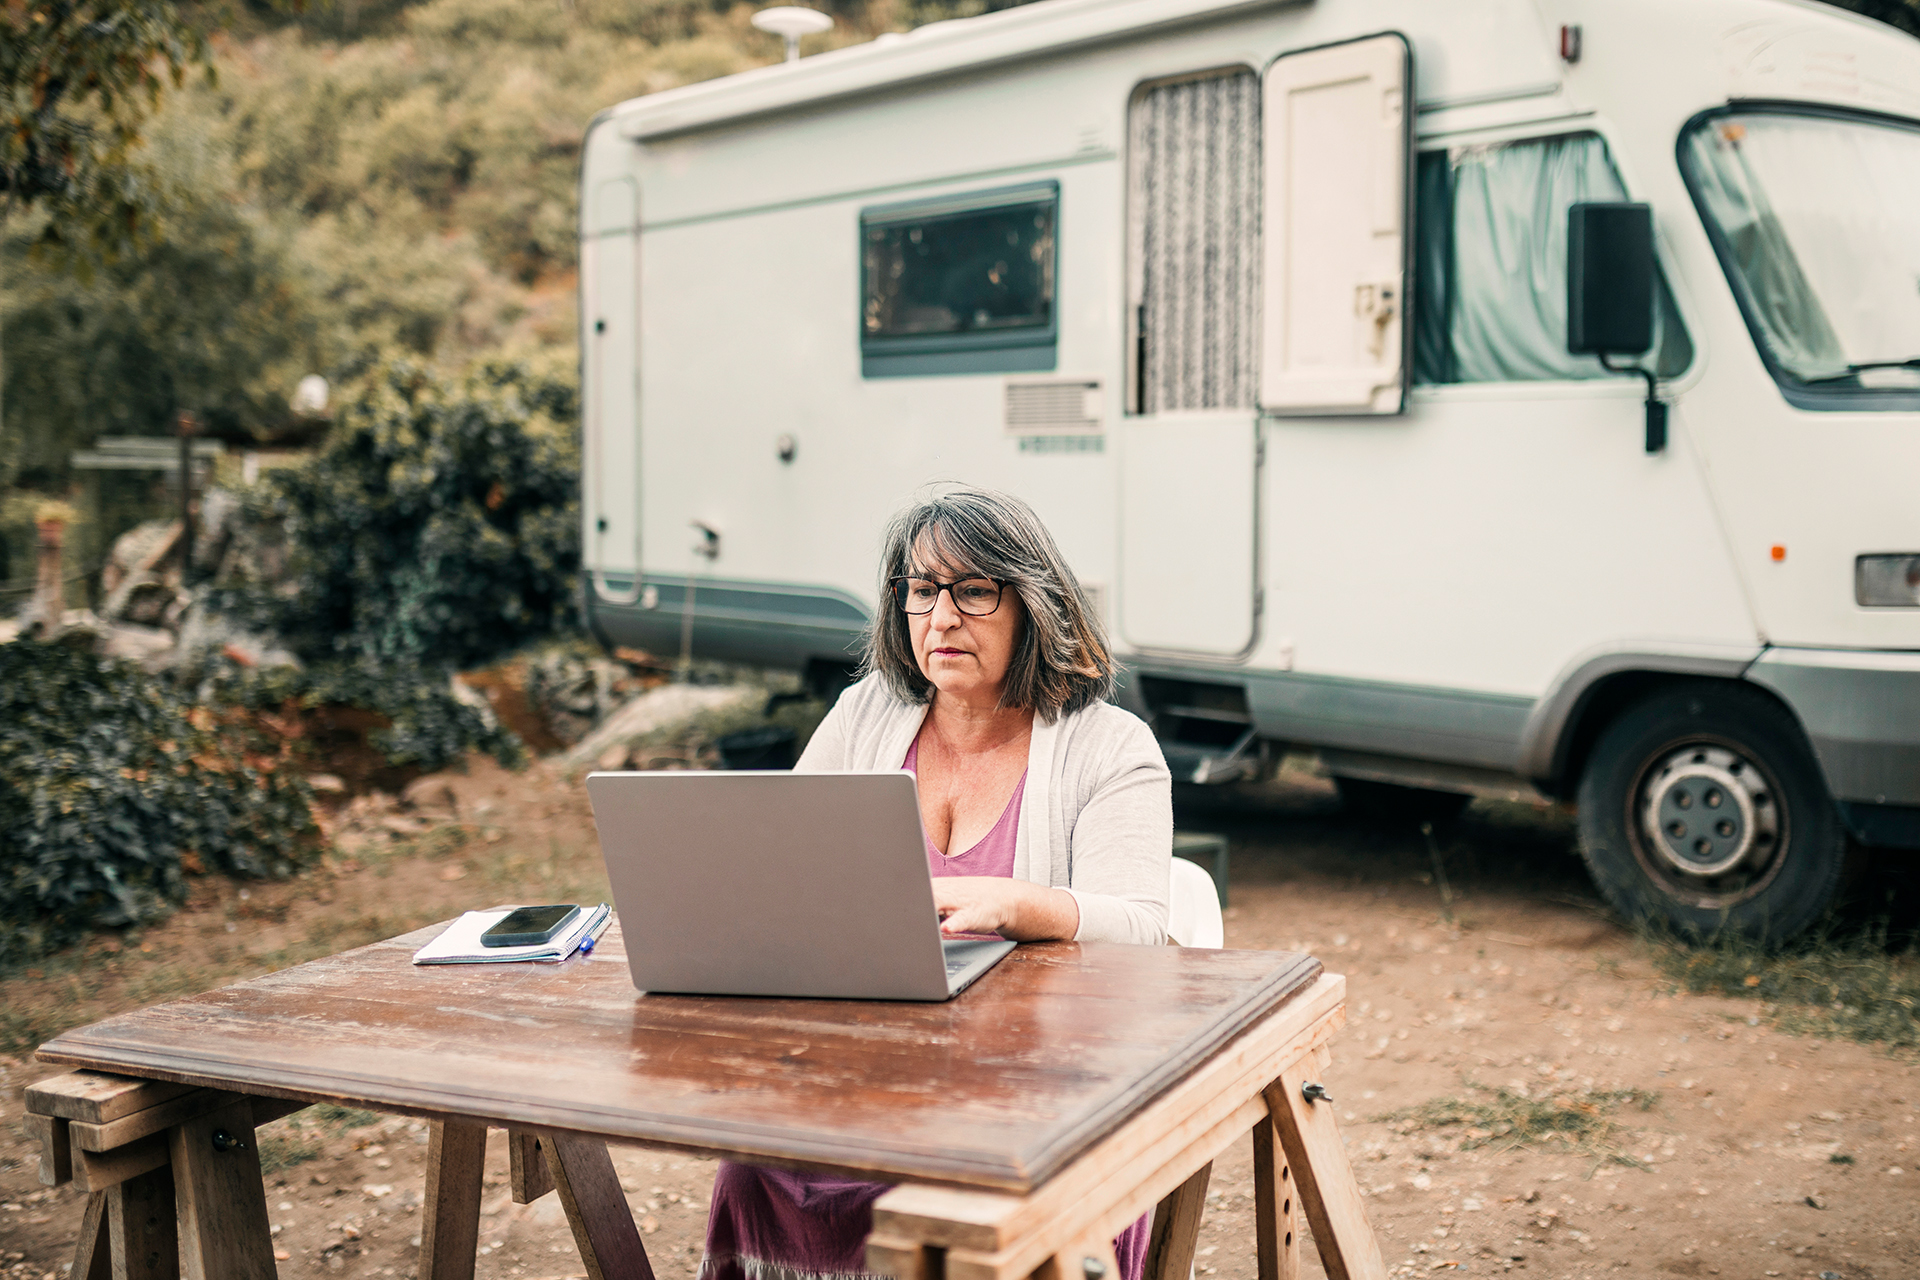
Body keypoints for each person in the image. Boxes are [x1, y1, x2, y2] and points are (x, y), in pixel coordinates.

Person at [699, 486, 1173, 1280]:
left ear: (1034, 604)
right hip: (876, 1071)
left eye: (974, 590)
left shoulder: (1110, 746)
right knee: (757, 1163)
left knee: (979, 1196)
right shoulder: (866, 714)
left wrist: (1020, 905)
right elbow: (788, 871)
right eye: (922, 590)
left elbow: (1142, 928)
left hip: (1047, 1094)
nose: (941, 618)